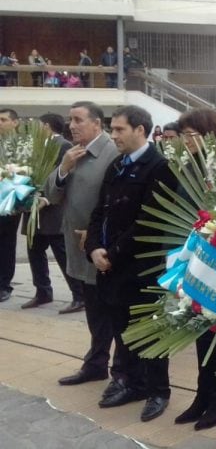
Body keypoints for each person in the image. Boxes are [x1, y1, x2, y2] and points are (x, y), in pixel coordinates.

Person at [85, 105, 177, 422]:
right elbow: (100, 212)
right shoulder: (117, 166)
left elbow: (150, 223)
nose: (114, 135)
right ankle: (131, 383)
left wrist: (112, 254)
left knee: (151, 332)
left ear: (140, 130)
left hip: (141, 268)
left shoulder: (160, 167)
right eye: (113, 129)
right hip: (111, 267)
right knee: (122, 329)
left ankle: (158, 390)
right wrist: (94, 247)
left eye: (120, 129)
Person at [171, 108, 216, 431]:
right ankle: (203, 395)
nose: (187, 141)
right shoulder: (188, 166)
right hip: (194, 258)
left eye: (192, 135)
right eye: (184, 135)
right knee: (200, 330)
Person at [48, 102, 120, 385]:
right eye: (70, 120)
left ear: (97, 124)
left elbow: (117, 204)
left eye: (78, 120)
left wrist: (96, 236)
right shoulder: (72, 154)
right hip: (78, 247)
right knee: (93, 309)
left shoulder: (112, 154)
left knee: (112, 312)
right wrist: (63, 169)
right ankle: (97, 362)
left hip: (101, 248)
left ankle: (122, 372)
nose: (72, 125)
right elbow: (51, 195)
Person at [21, 114, 83, 312]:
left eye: (37, 125)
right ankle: (43, 292)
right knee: (34, 251)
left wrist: (47, 198)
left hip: (54, 209)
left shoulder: (64, 146)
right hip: (33, 208)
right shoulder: (33, 146)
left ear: (46, 125)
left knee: (62, 254)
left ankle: (79, 296)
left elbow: (66, 175)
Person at [0, 109, 21, 302]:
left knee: (6, 243)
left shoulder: (23, 145)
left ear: (15, 122)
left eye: (3, 120)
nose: (0, 123)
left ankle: (4, 284)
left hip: (11, 202)